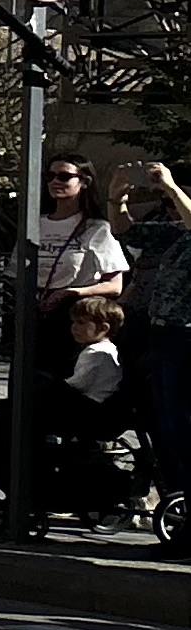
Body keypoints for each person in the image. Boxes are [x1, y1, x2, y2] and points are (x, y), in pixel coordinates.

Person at [115, 160, 191, 520]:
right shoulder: (174, 230)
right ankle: (176, 504)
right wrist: (117, 198)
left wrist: (172, 188)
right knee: (163, 424)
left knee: (183, 423)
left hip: (186, 335)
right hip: (160, 332)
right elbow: (126, 232)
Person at [29, 156, 128, 380]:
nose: (55, 182)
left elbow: (115, 285)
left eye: (64, 176)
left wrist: (71, 292)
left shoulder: (96, 228)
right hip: (34, 310)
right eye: (50, 176)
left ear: (84, 182)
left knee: (61, 380)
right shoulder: (34, 223)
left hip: (72, 313)